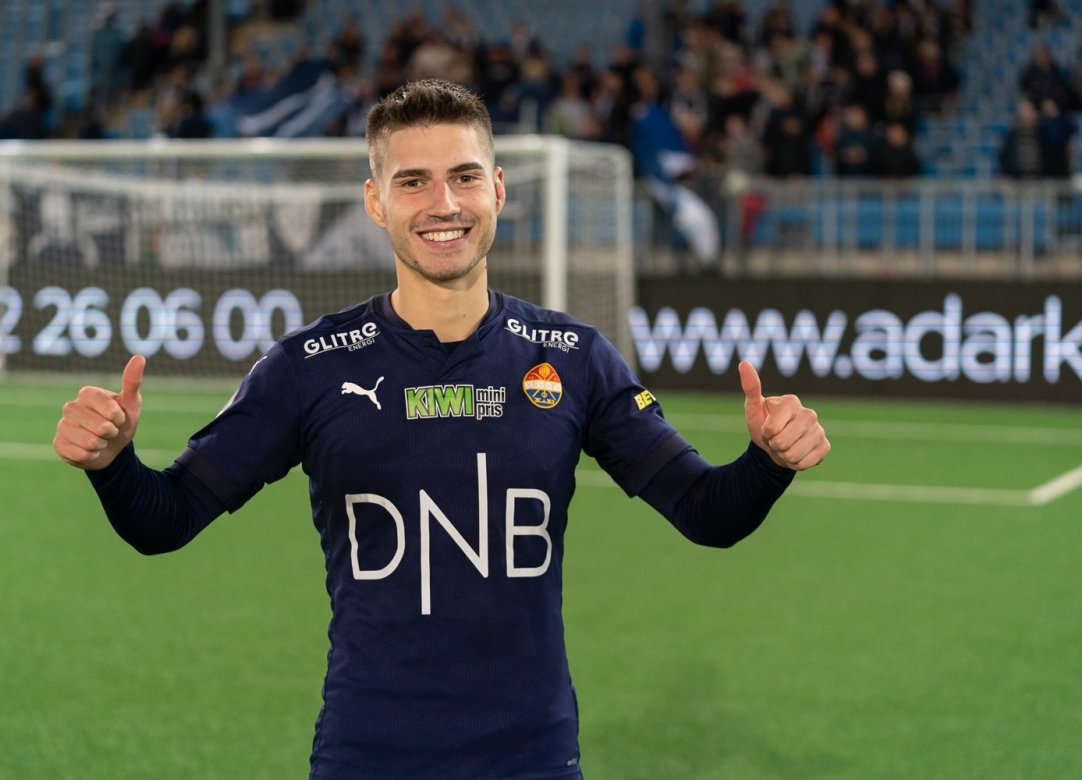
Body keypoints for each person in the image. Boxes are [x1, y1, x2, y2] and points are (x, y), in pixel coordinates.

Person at [52, 79, 830, 779]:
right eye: (413, 181)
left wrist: (767, 462)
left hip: (531, 757)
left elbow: (706, 512)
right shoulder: (308, 367)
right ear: (375, 201)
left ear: (498, 188)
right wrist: (113, 464)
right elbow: (165, 519)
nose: (443, 204)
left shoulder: (573, 357)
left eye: (463, 176)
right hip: (369, 754)